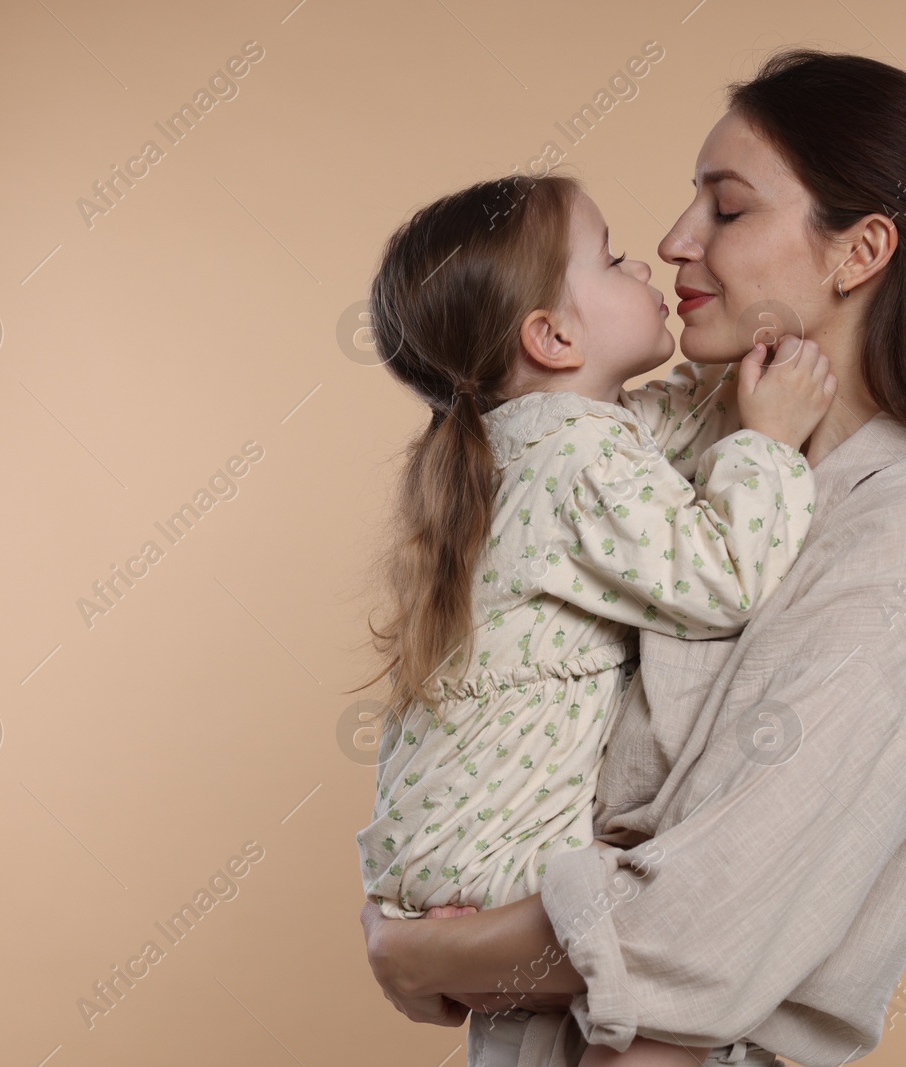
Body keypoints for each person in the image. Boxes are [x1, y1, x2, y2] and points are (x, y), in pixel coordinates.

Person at [360, 48, 906, 1067]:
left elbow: (697, 929)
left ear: (858, 251)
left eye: (727, 210)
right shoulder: (673, 461)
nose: (673, 239)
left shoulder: (901, 538)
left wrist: (416, 949)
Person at [351, 169, 841, 1066]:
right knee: (687, 953)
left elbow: (677, 423)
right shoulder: (570, 458)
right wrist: (770, 445)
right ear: (553, 333)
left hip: (448, 854)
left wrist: (753, 355)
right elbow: (724, 578)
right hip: (495, 860)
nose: (650, 263)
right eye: (613, 259)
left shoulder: (548, 435)